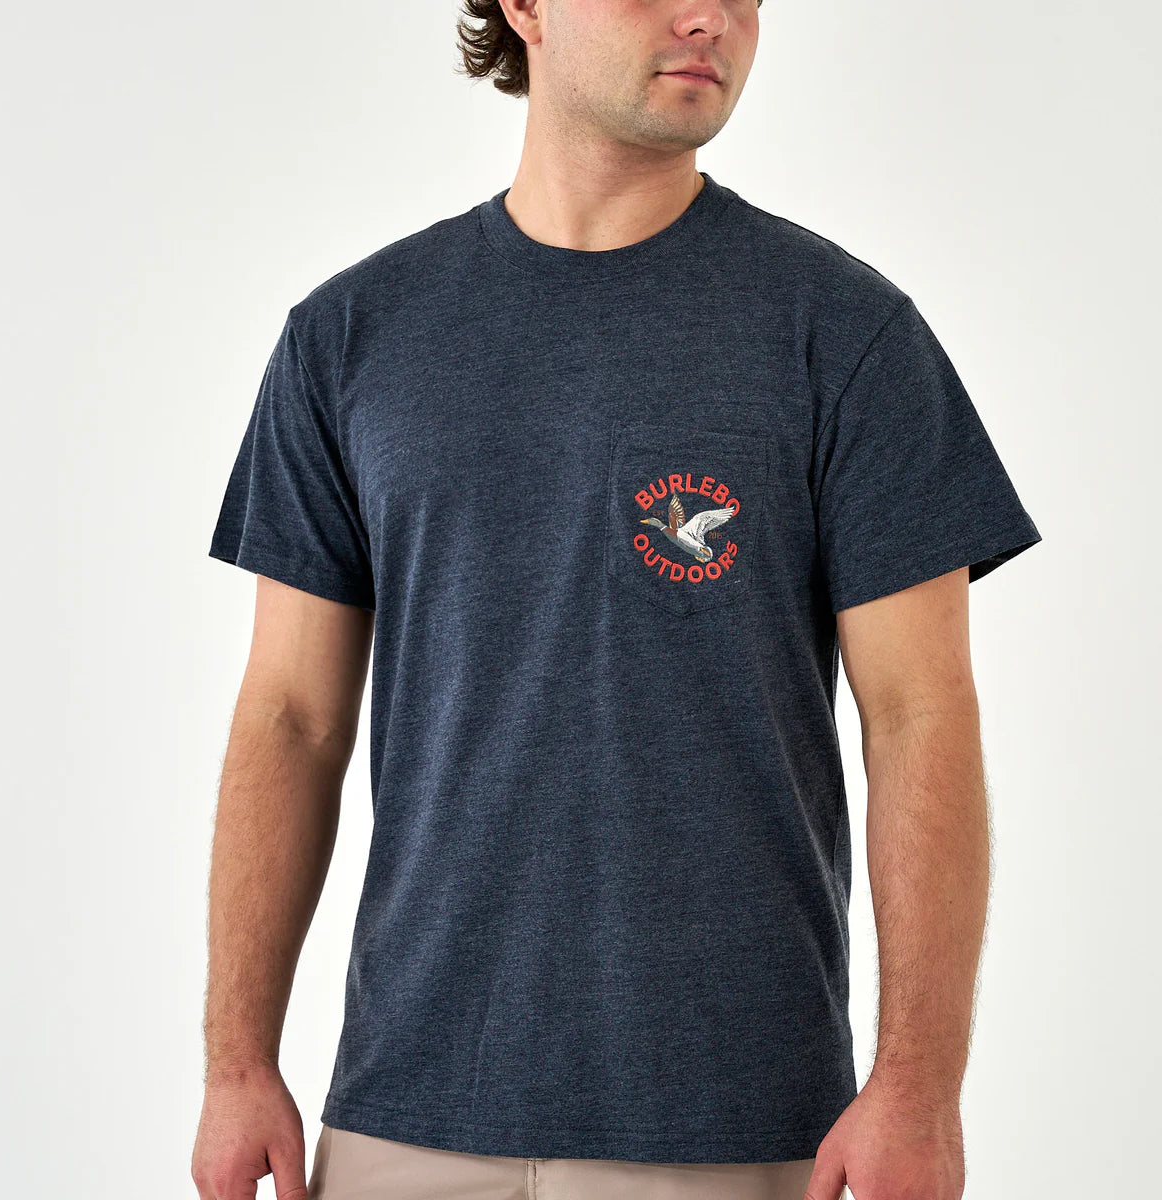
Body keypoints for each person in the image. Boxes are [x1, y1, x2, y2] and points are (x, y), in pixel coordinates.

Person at [191, 1, 1042, 1198]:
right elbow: (292, 717)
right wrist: (237, 1063)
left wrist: (918, 1085)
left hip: (735, 1122)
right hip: (408, 1111)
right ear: (525, 7)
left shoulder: (846, 335)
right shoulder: (350, 337)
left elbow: (920, 717)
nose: (712, 17)